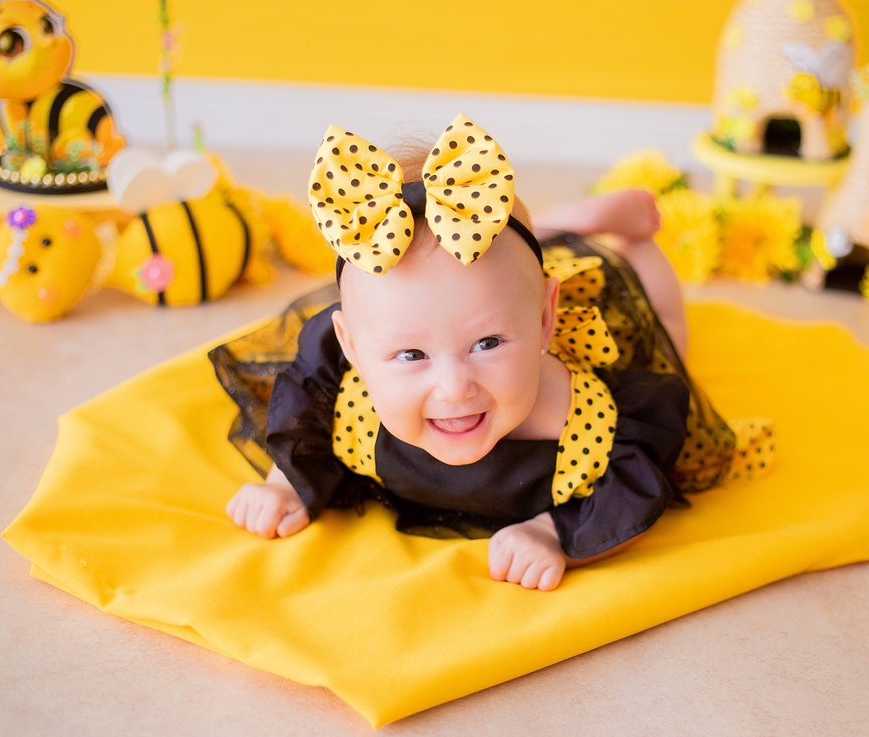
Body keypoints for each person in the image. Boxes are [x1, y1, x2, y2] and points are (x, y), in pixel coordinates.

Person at [219, 114, 738, 591]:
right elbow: (300, 427)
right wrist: (285, 486)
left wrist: (553, 533)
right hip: (499, 292)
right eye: (411, 355)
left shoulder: (585, 414)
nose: (454, 388)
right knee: (503, 275)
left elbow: (634, 485)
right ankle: (559, 224)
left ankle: (622, 237)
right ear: (351, 347)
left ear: (543, 321)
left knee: (668, 339)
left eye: (487, 344)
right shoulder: (340, 397)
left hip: (565, 311)